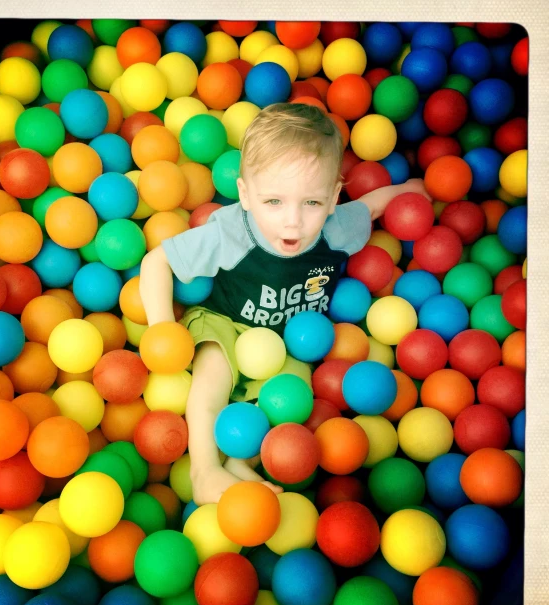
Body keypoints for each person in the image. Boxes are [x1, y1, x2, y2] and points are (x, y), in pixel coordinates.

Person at [140, 102, 431, 505]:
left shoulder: (338, 228)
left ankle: (246, 462)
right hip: (224, 320)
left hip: (292, 339)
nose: (291, 221)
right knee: (211, 382)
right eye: (273, 202)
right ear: (245, 194)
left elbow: (377, 205)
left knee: (294, 399)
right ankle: (205, 470)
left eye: (310, 203)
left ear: (332, 197)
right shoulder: (230, 232)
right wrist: (161, 331)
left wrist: (416, 190)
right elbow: (158, 261)